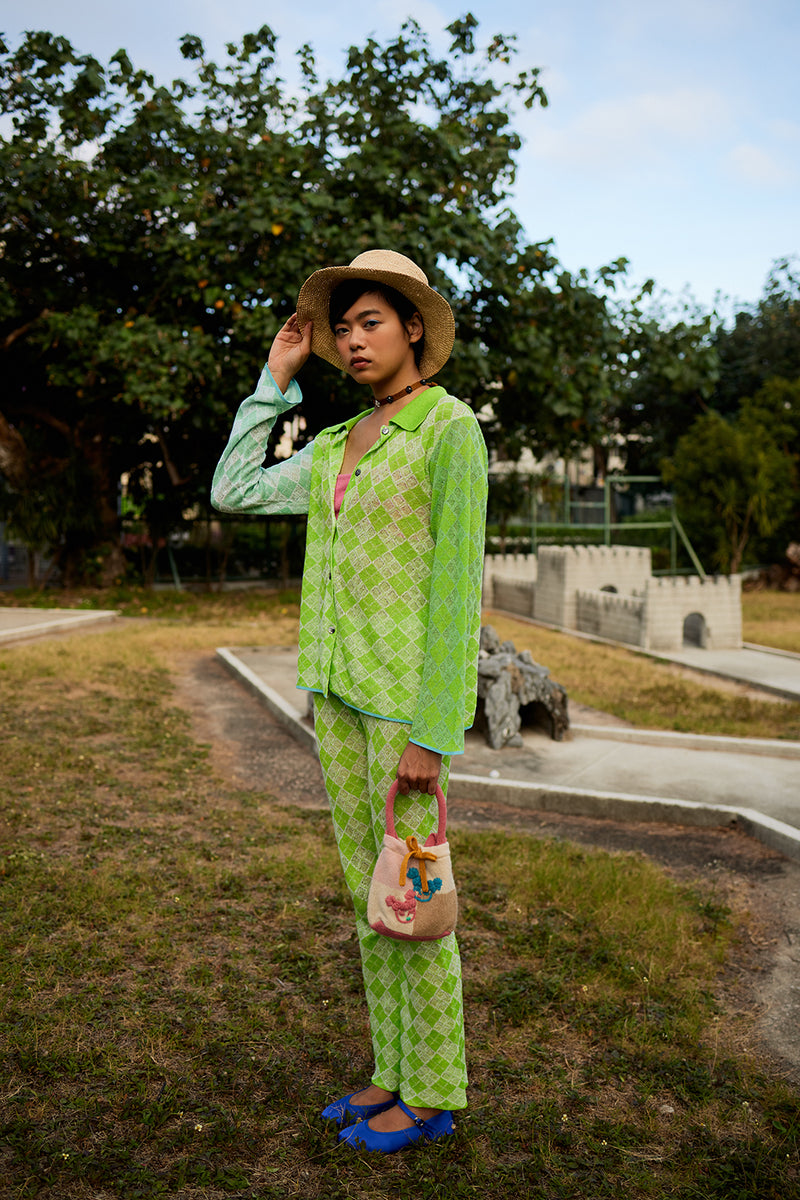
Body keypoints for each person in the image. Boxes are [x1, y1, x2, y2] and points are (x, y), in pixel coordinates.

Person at [211, 249, 488, 1153]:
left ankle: (435, 1092)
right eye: (342, 326)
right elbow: (234, 489)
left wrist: (436, 732)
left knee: (417, 899)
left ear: (413, 327)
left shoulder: (447, 431)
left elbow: (457, 591)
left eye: (371, 321)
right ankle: (390, 1072)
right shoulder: (334, 442)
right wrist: (274, 378)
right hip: (334, 697)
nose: (353, 338)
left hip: (404, 709)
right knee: (370, 898)